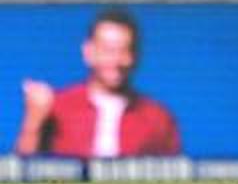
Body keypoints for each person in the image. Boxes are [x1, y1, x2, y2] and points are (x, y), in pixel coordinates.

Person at [14, 8, 180, 158]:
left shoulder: (157, 117)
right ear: (88, 52)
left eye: (124, 50)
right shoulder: (57, 107)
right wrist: (32, 121)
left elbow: (174, 179)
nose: (116, 60)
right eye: (108, 50)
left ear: (135, 56)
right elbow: (22, 173)